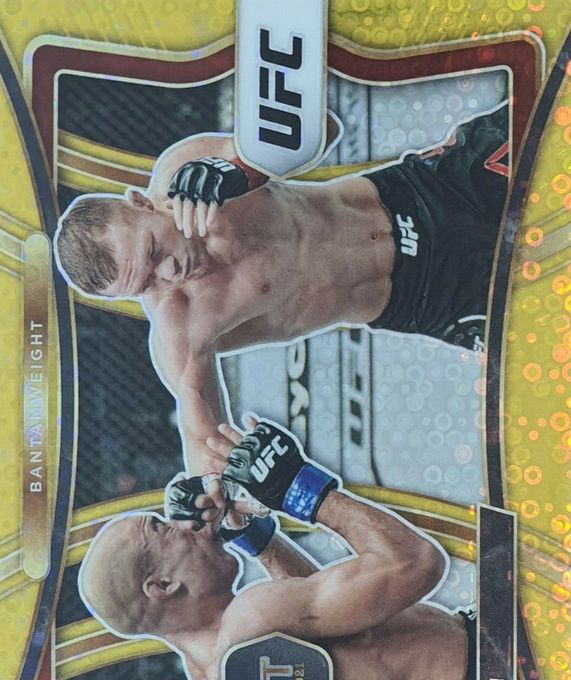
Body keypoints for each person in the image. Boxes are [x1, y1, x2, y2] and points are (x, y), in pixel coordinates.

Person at [55, 104, 509, 474]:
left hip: (426, 189)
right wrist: (211, 497)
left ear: (141, 202)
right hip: (432, 298)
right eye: (147, 282)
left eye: (154, 251)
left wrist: (244, 168)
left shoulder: (183, 166)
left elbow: (325, 127)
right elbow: (205, 449)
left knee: (540, 118)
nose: (170, 273)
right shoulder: (182, 325)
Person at [79, 418, 476, 680]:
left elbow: (338, 624)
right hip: (486, 677)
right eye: (164, 529)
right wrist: (297, 487)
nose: (188, 525)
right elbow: (417, 563)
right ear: (163, 586)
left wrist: (258, 540)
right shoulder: (252, 616)